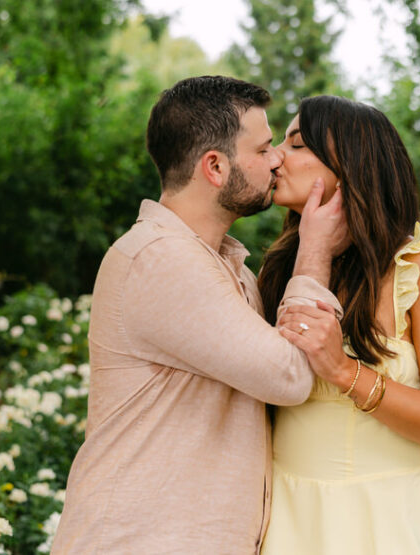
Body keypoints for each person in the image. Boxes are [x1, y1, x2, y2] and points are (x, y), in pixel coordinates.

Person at [51, 76, 348, 554]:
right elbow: (290, 376)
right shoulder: (159, 258)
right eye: (263, 148)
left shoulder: (223, 265)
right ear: (214, 166)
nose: (277, 160)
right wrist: (316, 249)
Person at [257, 95, 420, 554]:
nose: (276, 157)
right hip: (286, 521)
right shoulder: (281, 268)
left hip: (387, 526)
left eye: (298, 144)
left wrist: (345, 372)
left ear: (352, 164)